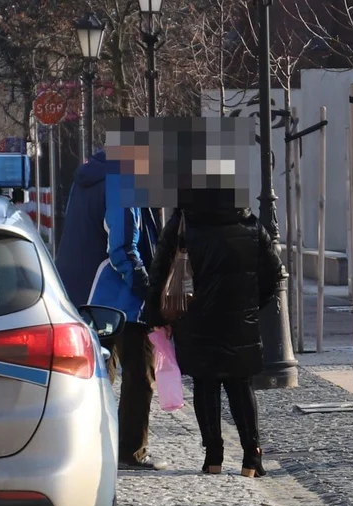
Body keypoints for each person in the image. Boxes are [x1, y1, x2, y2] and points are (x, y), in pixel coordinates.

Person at [145, 193, 284, 478]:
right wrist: (252, 304)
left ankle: (213, 457)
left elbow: (159, 270)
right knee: (240, 384)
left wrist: (158, 316)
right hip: (239, 317)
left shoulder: (183, 221)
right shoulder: (250, 223)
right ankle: (251, 457)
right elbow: (273, 273)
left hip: (194, 316)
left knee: (205, 384)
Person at [56, 150, 164, 471]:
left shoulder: (87, 178)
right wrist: (146, 288)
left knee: (95, 375)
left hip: (81, 295)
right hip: (117, 299)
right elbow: (122, 248)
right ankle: (130, 452)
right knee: (140, 373)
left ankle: (85, 446)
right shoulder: (122, 183)